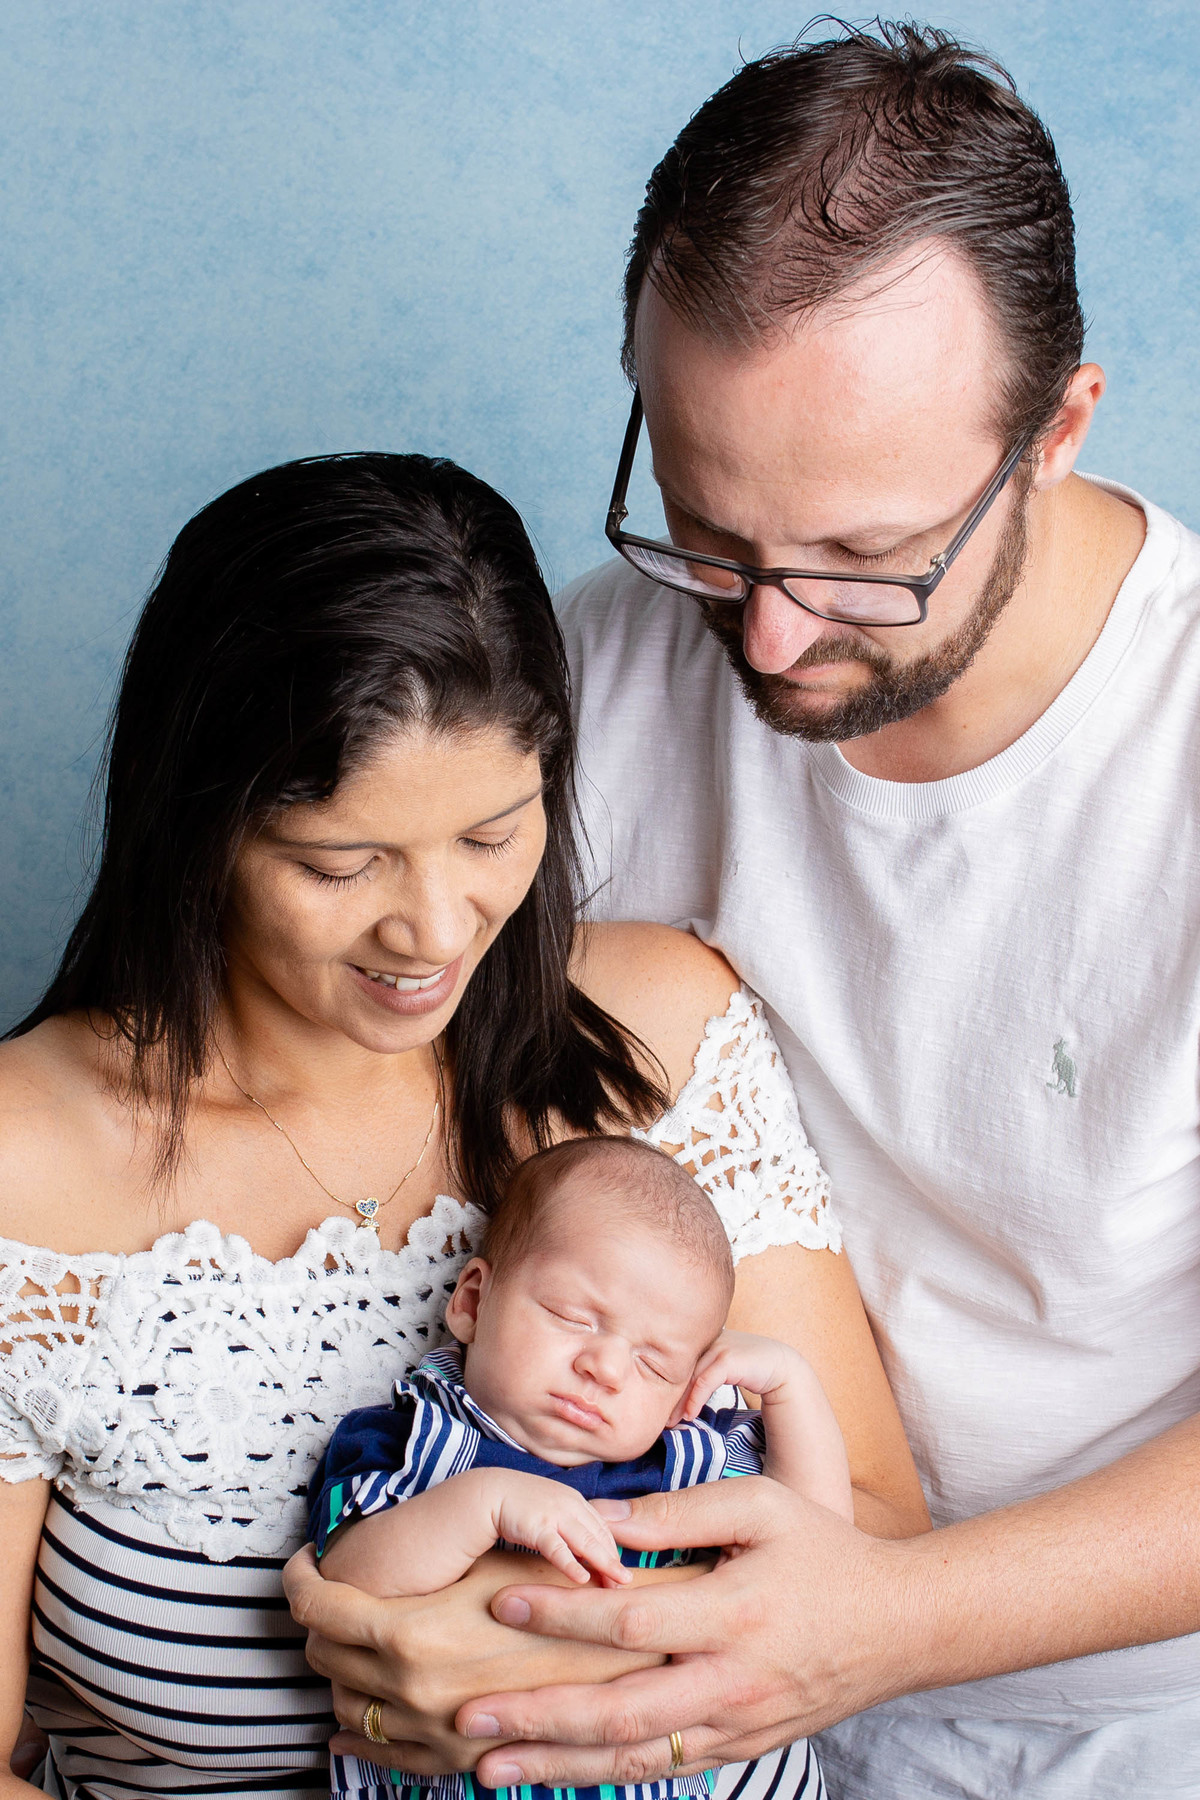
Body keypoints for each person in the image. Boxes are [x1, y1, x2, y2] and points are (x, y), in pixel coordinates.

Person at [286, 20, 1200, 1800]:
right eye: (711, 534)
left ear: (1061, 431)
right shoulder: (596, 666)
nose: (769, 642)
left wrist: (889, 1617)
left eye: (866, 561)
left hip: (1111, 1725)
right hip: (636, 1647)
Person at [0, 452, 929, 1800]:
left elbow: (881, 1549)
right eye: (340, 863)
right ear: (193, 824)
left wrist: (551, 1674)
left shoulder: (661, 1033)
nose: (434, 936)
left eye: (494, 836)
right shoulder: (29, 1168)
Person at [310, 1134, 854, 1800]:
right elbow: (346, 1582)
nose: (607, 1368)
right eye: (573, 1317)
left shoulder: (689, 1453)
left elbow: (823, 1561)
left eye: (654, 1363)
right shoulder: (418, 1436)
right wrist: (482, 1504)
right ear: (473, 1302)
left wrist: (792, 1386)